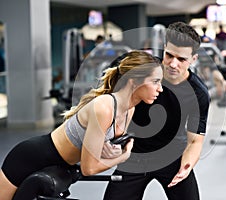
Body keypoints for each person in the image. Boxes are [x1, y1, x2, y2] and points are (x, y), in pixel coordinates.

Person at [0, 50, 164, 200]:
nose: (160, 89)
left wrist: (112, 151)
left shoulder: (130, 110)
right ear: (134, 80)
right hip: (30, 157)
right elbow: (89, 168)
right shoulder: (104, 108)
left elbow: (96, 151)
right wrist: (123, 156)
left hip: (60, 163)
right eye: (155, 81)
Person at [103, 21, 210, 200]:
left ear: (193, 59)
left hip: (173, 156)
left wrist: (186, 166)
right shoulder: (142, 72)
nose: (173, 64)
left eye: (182, 59)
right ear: (164, 48)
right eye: (169, 55)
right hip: (134, 153)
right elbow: (110, 105)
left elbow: (195, 142)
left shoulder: (198, 93)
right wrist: (106, 139)